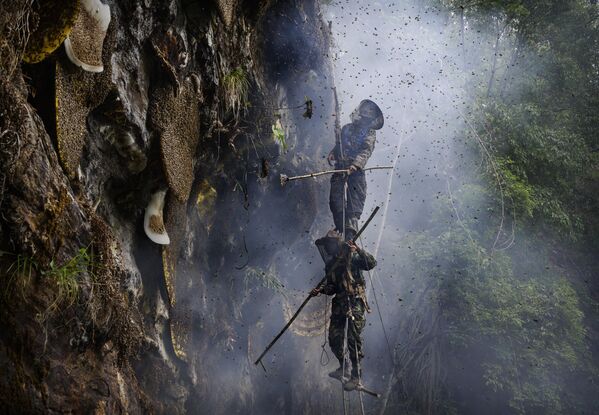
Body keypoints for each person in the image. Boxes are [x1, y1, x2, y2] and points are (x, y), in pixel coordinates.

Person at [312, 232, 377, 391]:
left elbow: (371, 263)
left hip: (354, 301)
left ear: (335, 243)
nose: (327, 248)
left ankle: (356, 376)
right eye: (325, 245)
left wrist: (358, 250)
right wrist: (320, 290)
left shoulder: (352, 257)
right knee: (334, 338)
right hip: (339, 303)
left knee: (353, 338)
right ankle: (344, 367)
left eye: (329, 244)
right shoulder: (330, 265)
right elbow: (332, 287)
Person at [328, 99, 384, 240]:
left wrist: (355, 165)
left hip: (356, 172)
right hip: (340, 169)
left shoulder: (370, 133)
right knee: (336, 202)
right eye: (363, 113)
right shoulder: (346, 128)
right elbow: (339, 145)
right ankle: (341, 231)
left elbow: (366, 150)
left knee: (354, 206)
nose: (364, 117)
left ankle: (350, 238)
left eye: (367, 116)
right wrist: (333, 153)